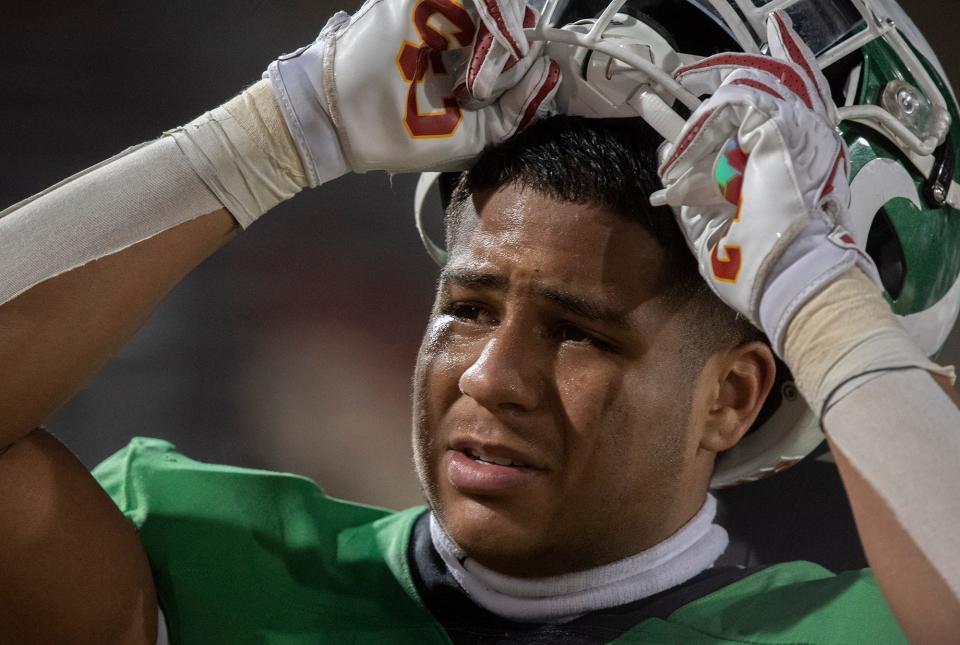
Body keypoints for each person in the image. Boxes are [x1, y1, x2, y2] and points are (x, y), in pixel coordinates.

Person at [0, 0, 958, 643]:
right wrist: (273, 135)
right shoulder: (209, 563)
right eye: (466, 307)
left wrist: (819, 305)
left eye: (578, 331)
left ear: (735, 396)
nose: (488, 376)